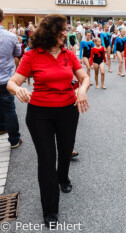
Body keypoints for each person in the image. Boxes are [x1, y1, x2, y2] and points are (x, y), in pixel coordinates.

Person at [7, 14, 90, 228]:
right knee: (46, 160)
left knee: (65, 150)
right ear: (52, 31)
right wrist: (19, 89)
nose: (67, 33)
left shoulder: (68, 54)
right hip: (39, 114)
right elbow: (12, 82)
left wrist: (82, 90)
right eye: (63, 29)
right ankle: (50, 209)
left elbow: (84, 77)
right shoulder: (32, 55)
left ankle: (63, 177)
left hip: (68, 111)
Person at [0, 8, 22, 148]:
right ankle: (14, 140)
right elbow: (18, 53)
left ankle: (2, 127)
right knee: (9, 109)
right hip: (5, 79)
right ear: (3, 18)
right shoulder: (11, 36)